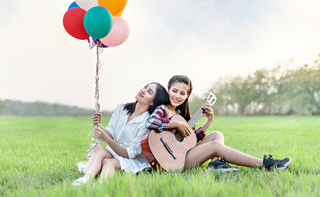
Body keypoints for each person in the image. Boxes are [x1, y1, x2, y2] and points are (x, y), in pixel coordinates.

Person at [146, 75, 292, 172]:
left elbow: (192, 140)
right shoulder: (163, 110)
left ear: (187, 96)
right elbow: (151, 121)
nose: (177, 96)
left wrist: (209, 121)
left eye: (182, 93)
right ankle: (264, 164)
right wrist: (176, 125)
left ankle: (216, 163)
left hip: (182, 154)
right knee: (216, 146)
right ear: (168, 90)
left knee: (217, 135)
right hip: (174, 161)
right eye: (174, 91)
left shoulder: (180, 116)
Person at [73, 82, 169, 186]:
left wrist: (107, 140)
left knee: (108, 162)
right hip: (114, 151)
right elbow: (110, 133)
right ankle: (86, 179)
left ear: (153, 103)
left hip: (131, 159)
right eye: (145, 87)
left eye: (149, 92)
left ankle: (100, 187)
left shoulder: (146, 123)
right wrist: (98, 125)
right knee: (99, 148)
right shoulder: (122, 109)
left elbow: (129, 153)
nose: (143, 90)